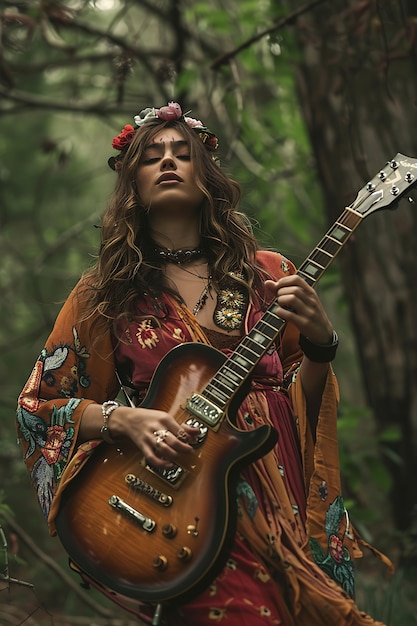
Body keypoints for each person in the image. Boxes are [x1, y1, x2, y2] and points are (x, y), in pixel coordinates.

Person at [17, 101, 392, 626]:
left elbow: (300, 398)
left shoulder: (269, 273)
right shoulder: (104, 295)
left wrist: (321, 341)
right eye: (151, 156)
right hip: (182, 506)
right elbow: (40, 405)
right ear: (132, 183)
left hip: (281, 495)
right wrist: (123, 419)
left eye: (181, 153)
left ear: (206, 173)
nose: (167, 161)